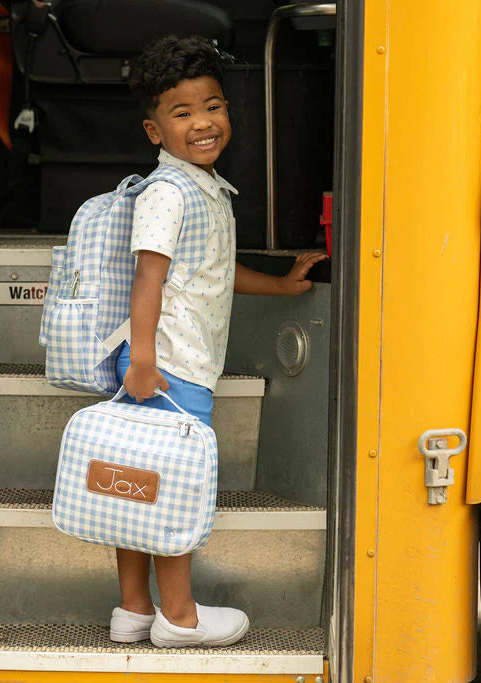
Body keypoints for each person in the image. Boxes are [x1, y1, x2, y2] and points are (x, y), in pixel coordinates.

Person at [109, 35, 328, 648]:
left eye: (214, 106)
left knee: (139, 483)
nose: (203, 122)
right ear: (155, 131)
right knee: (172, 489)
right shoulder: (169, 191)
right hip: (169, 367)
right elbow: (148, 275)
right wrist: (146, 361)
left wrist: (283, 288)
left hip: (169, 363)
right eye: (182, 113)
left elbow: (212, 269)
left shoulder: (205, 187)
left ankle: (132, 610)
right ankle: (178, 618)